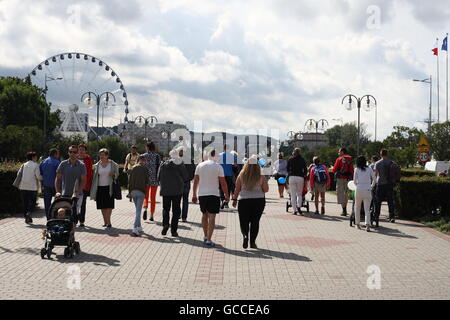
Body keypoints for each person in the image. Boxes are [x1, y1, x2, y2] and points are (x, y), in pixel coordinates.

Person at [192, 149, 229, 247]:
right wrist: (226, 195)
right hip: (214, 194)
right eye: (218, 156)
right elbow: (223, 183)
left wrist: (194, 194)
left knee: (204, 215)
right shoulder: (218, 167)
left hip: (202, 194)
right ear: (214, 156)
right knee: (212, 217)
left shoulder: (200, 166)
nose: (219, 158)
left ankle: (205, 236)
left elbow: (195, 181)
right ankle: (209, 239)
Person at [232, 155, 269, 249]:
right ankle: (252, 242)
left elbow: (237, 189)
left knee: (244, 221)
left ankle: (245, 236)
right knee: (255, 221)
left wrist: (234, 200)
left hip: (244, 200)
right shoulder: (261, 175)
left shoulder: (241, 174)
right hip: (258, 201)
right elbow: (266, 189)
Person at [158, 149, 188, 237]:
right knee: (176, 211)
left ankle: (165, 224)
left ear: (170, 155)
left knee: (166, 209)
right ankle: (174, 231)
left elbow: (158, 177)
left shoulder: (163, 164)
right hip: (177, 191)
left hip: (165, 191)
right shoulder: (180, 163)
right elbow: (185, 176)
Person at [90, 148, 119, 228]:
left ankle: (108, 221)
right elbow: (94, 176)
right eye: (100, 155)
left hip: (109, 187)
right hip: (99, 187)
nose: (101, 156)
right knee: (102, 206)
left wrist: (114, 174)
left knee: (109, 205)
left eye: (103, 155)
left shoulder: (113, 164)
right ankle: (105, 221)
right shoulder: (96, 165)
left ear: (107, 155)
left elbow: (117, 174)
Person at [127, 155, 149, 237]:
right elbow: (147, 180)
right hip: (141, 191)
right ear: (144, 161)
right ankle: (135, 229)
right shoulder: (145, 169)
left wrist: (129, 192)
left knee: (137, 209)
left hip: (133, 191)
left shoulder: (133, 167)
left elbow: (130, 180)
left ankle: (139, 227)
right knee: (138, 211)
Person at [18, 152, 42, 224]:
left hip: (23, 186)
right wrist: (43, 178)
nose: (36, 158)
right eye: (36, 157)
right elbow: (38, 176)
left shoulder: (23, 165)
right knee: (32, 202)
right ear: (33, 157)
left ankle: (27, 217)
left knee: (25, 203)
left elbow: (18, 174)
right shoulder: (36, 165)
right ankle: (29, 213)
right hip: (32, 187)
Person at [374, 149, 395, 225]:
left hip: (380, 184)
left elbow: (375, 175)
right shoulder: (391, 162)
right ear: (387, 154)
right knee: (390, 200)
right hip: (389, 184)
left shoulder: (377, 163)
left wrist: (373, 183)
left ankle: (376, 216)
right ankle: (392, 216)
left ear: (380, 154)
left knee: (378, 201)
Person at [354, 156, 375, 231]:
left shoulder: (356, 169)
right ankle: (367, 225)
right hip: (367, 190)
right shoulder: (369, 169)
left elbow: (354, 181)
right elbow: (374, 179)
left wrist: (358, 186)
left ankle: (357, 223)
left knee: (357, 207)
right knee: (367, 209)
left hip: (359, 190)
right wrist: (371, 186)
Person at [39, 148, 60, 220]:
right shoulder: (57, 162)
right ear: (55, 154)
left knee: (47, 203)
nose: (58, 155)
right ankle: (55, 217)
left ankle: (48, 218)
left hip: (46, 185)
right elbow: (59, 175)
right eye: (57, 154)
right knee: (57, 202)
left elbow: (40, 174)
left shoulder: (43, 162)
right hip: (55, 186)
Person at [142, 142, 161, 221]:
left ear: (148, 147)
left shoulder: (143, 156)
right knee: (153, 198)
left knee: (145, 196)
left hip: (145, 179)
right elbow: (159, 167)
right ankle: (152, 215)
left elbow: (141, 166)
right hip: (155, 180)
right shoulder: (157, 156)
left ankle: (145, 208)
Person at [332, 148, 353, 216]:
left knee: (340, 193)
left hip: (340, 178)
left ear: (342, 152)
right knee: (346, 194)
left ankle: (344, 210)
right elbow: (351, 169)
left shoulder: (339, 159)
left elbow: (334, 169)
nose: (338, 153)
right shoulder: (350, 158)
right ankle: (345, 209)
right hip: (347, 179)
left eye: (339, 152)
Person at [286, 148, 307, 215]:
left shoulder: (290, 159)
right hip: (300, 177)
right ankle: (299, 207)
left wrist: (290, 173)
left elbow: (287, 168)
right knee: (299, 194)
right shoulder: (302, 159)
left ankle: (294, 210)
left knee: (292, 195)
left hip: (292, 177)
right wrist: (303, 175)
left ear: (293, 152)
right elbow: (305, 169)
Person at [76, 144, 93, 228]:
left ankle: (82, 221)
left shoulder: (88, 159)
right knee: (74, 202)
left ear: (85, 151)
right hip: (75, 185)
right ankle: (74, 219)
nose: (81, 151)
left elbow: (90, 172)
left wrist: (87, 183)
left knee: (83, 203)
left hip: (84, 185)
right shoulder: (74, 158)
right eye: (80, 149)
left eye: (83, 149)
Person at [178, 146, 195, 222]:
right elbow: (193, 171)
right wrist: (189, 179)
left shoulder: (177, 160)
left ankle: (178, 215)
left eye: (180, 151)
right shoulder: (190, 160)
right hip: (186, 182)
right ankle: (184, 217)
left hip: (179, 183)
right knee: (185, 200)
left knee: (178, 199)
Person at [219, 144, 237, 209]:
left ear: (223, 148)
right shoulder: (232, 156)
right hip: (229, 174)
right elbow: (235, 165)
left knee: (221, 188)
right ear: (229, 149)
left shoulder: (219, 155)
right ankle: (226, 203)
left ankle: (222, 199)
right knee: (228, 188)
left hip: (221, 174)